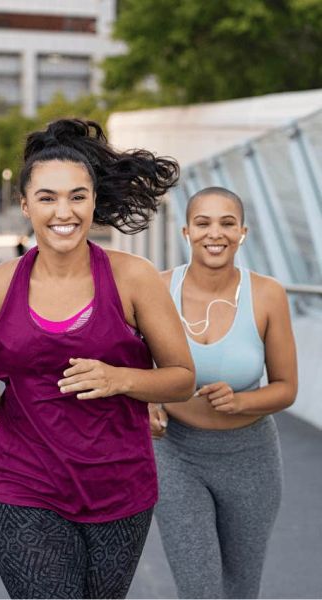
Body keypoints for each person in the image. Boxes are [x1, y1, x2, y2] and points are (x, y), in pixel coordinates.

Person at [0, 118, 196, 599]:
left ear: (94, 202)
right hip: (20, 482)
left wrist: (119, 379)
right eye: (46, 197)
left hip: (119, 487)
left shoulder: (134, 277)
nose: (63, 211)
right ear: (25, 205)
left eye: (77, 196)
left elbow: (181, 379)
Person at [149, 186, 298, 599]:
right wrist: (149, 401)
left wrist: (241, 401)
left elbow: (286, 388)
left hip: (251, 458)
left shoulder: (268, 295)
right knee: (199, 588)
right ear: (186, 232)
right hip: (177, 455)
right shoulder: (158, 289)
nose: (215, 233)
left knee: (240, 588)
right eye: (203, 223)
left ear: (243, 232)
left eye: (227, 223)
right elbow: (136, 364)